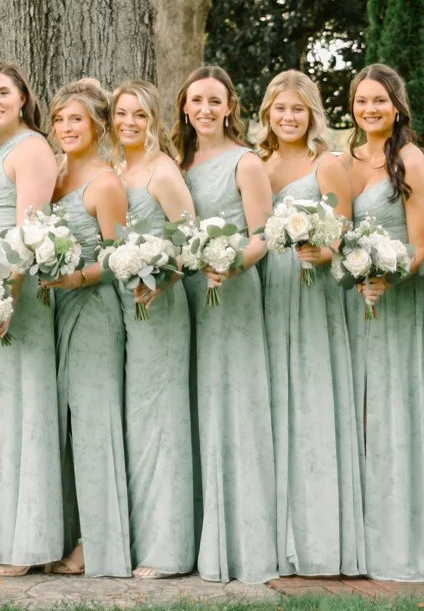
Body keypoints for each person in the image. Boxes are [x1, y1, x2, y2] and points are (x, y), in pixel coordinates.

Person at [325, 64, 424, 582]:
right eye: (362, 101)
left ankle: (403, 543)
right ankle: (358, 539)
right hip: (349, 305)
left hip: (393, 304)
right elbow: (336, 231)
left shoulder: (410, 160)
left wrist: (389, 275)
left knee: (392, 410)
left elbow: (422, 243)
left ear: (397, 106)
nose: (370, 109)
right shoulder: (343, 159)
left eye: (379, 100)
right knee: (354, 413)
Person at [176, 65, 284, 584]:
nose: (204, 109)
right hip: (186, 293)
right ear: (184, 107)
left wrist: (233, 261)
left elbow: (264, 235)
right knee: (194, 405)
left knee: (231, 405)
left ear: (229, 106)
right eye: (196, 100)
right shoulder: (177, 161)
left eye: (214, 101)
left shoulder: (246, 163)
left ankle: (240, 543)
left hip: (233, 291)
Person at [256, 69, 363, 578]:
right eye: (280, 108)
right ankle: (273, 534)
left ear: (312, 114)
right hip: (266, 294)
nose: (288, 117)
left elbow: (341, 234)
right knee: (274, 403)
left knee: (311, 400)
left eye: (298, 109)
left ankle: (319, 538)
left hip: (310, 290)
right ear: (267, 114)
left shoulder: (328, 165)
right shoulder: (258, 163)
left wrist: (321, 252)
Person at [0, 60, 66, 575]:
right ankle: (3, 531)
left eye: (3, 92)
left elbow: (31, 231)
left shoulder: (33, 149)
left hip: (13, 292)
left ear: (23, 97)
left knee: (23, 413)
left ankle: (28, 544)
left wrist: (7, 298)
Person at [42, 78, 131, 578]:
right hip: (56, 309)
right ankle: (67, 529)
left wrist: (74, 276)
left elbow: (118, 259)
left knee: (94, 424)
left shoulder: (105, 183)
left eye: (75, 119)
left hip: (95, 311)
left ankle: (99, 544)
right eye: (59, 119)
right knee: (67, 427)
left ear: (97, 125)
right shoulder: (55, 175)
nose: (66, 128)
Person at [109, 80, 197, 577]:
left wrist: (161, 280)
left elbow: (191, 241)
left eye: (139, 115)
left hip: (158, 307)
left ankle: (168, 550)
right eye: (121, 114)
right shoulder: (118, 168)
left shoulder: (163, 172)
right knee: (135, 424)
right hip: (121, 308)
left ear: (154, 120)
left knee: (159, 423)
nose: (128, 123)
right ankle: (137, 538)